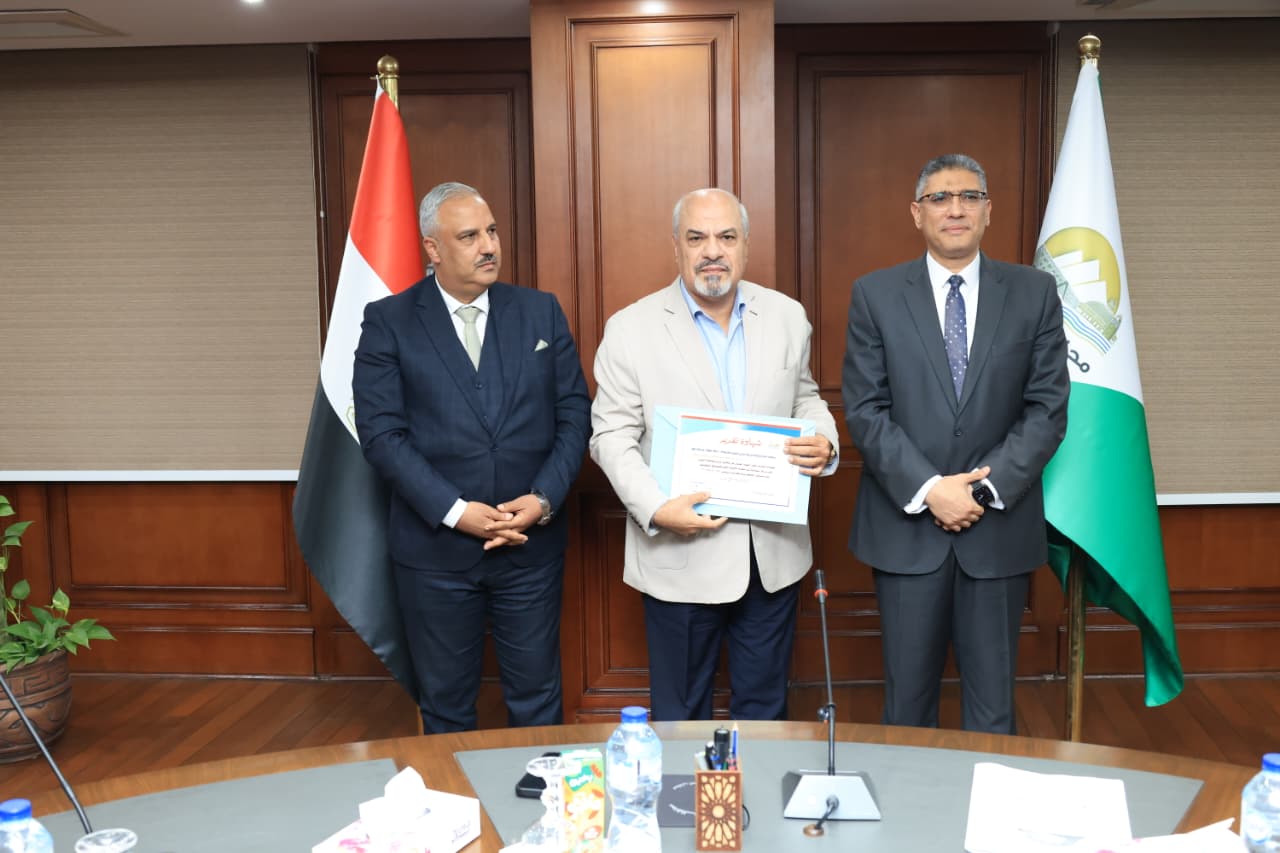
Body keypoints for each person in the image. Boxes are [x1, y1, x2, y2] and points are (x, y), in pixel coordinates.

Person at [590, 187, 839, 722]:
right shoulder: (630, 329)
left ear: (745, 244)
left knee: (766, 714)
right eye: (696, 238)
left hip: (771, 557)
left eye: (726, 237)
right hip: (679, 556)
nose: (712, 251)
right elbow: (610, 436)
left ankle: (758, 784)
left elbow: (805, 397)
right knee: (681, 717)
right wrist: (658, 508)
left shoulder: (787, 316)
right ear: (676, 246)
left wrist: (824, 438)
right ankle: (684, 785)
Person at [842, 153, 1070, 734]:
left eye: (969, 196)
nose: (955, 209)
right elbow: (865, 410)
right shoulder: (875, 294)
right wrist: (930, 489)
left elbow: (1047, 408)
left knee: (993, 712)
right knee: (906, 709)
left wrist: (982, 491)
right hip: (906, 532)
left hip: (997, 532)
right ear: (917, 213)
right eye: (940, 198)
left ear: (988, 211)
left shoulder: (1035, 292)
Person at [353, 181, 591, 733]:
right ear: (432, 248)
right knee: (446, 704)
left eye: (491, 231)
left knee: (537, 698)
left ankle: (539, 788)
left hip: (530, 545)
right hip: (434, 552)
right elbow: (382, 434)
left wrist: (542, 500)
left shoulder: (539, 311)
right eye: (469, 236)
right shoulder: (388, 320)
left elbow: (574, 413)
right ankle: (454, 792)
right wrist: (457, 512)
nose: (488, 246)